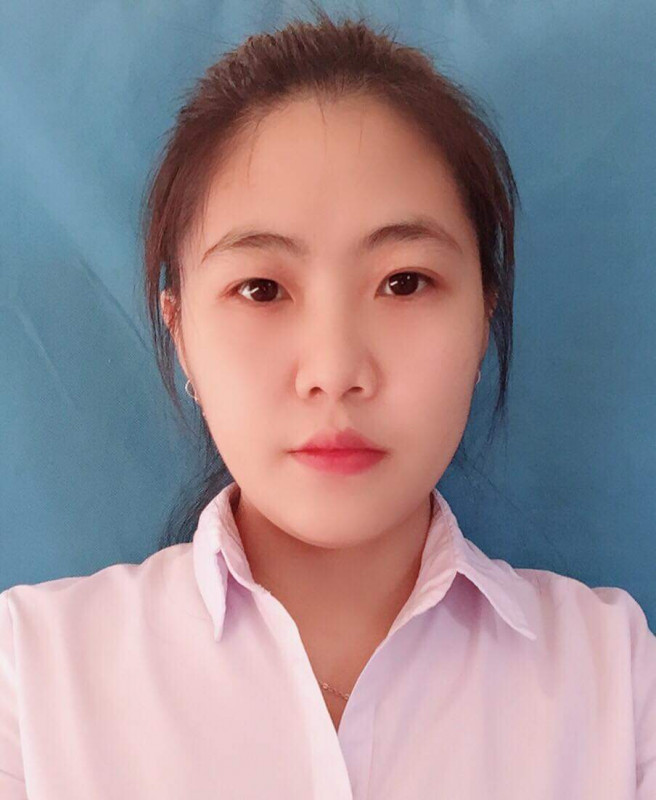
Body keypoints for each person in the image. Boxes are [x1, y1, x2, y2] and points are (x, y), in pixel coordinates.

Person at [1, 6, 654, 798]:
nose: (336, 371)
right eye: (261, 289)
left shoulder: (615, 678)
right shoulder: (32, 681)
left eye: (404, 282)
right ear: (181, 337)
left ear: (484, 318)